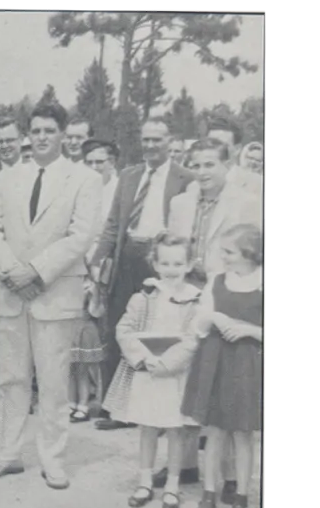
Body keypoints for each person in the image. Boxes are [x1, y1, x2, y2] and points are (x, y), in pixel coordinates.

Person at [0, 99, 102, 490]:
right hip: (10, 291)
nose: (43, 137)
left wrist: (37, 269)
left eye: (50, 131)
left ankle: (53, 460)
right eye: (36, 131)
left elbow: (80, 235)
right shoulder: (9, 176)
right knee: (11, 378)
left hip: (55, 292)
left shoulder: (84, 179)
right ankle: (8, 453)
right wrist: (12, 270)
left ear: (64, 136)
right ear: (28, 135)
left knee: (51, 382)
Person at [91, 115, 193, 419]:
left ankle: (157, 411)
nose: (150, 145)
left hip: (162, 261)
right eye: (146, 139)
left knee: (160, 332)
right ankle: (115, 408)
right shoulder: (130, 175)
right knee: (118, 328)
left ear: (170, 142)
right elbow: (112, 224)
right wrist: (97, 261)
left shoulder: (185, 177)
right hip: (127, 257)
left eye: (157, 139)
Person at [102, 233, 203, 508]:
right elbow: (124, 329)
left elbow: (194, 338)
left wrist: (169, 363)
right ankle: (145, 481)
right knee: (147, 427)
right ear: (155, 265)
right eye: (166, 264)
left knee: (175, 429)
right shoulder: (144, 297)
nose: (172, 270)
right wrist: (143, 359)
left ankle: (172, 485)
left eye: (178, 264)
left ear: (189, 265)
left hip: (175, 374)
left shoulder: (195, 299)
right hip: (147, 371)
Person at [183, 224, 263, 508]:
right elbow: (199, 323)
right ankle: (208, 494)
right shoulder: (217, 281)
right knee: (214, 432)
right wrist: (215, 316)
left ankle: (241, 497)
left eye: (228, 252)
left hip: (247, 365)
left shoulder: (266, 283)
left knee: (243, 435)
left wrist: (249, 330)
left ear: (249, 254)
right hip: (215, 361)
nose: (223, 258)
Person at [70, 137, 119, 421]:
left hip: (108, 266)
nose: (95, 167)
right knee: (82, 334)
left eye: (101, 161)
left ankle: (105, 398)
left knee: (104, 334)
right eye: (89, 162)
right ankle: (81, 397)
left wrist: (99, 264)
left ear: (111, 162)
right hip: (81, 265)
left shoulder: (118, 188)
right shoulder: (79, 186)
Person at [168, 138, 263, 283]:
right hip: (183, 286)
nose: (201, 172)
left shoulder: (247, 203)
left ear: (228, 165)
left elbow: (253, 259)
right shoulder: (179, 203)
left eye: (209, 165)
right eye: (196, 166)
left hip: (226, 289)